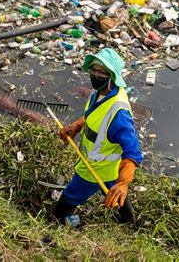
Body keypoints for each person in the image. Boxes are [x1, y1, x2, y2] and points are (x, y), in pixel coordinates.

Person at [54, 48, 142, 226]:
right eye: (93, 70)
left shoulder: (119, 114)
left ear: (113, 76)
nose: (96, 75)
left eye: (102, 72)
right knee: (113, 189)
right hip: (110, 167)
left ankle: (62, 219)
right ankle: (128, 221)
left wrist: (124, 183)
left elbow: (133, 152)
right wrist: (77, 126)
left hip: (93, 170)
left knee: (69, 198)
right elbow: (92, 115)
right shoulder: (100, 94)